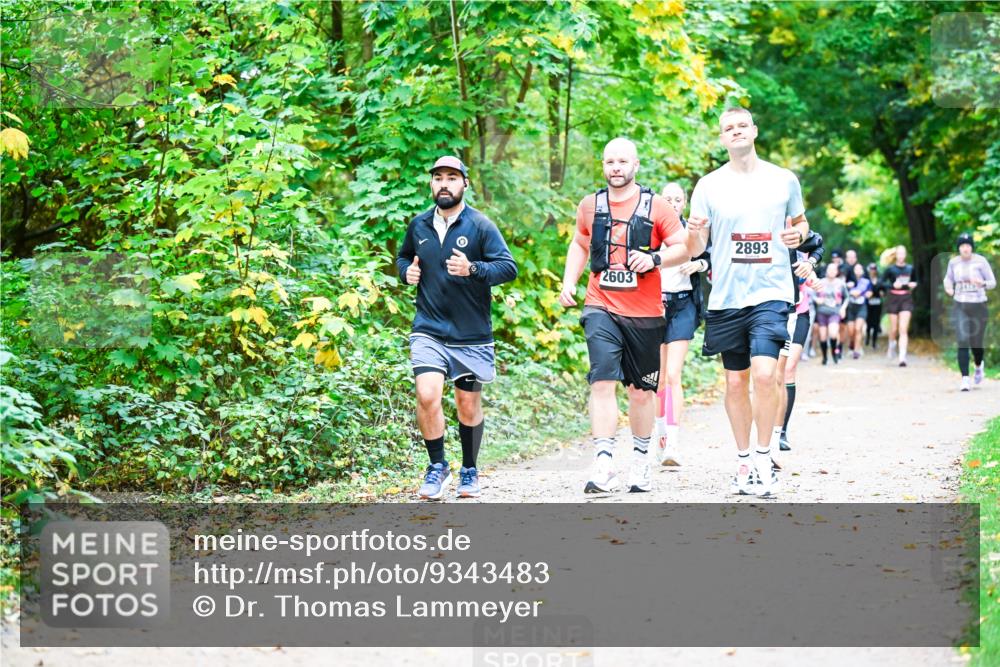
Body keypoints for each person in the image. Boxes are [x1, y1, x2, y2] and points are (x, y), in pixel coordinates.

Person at [686, 106, 809, 497]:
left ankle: (764, 455)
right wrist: (693, 234)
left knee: (765, 374)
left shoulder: (783, 179)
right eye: (728, 128)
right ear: (722, 139)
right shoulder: (707, 186)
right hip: (726, 297)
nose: (736, 131)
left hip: (771, 292)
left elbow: (802, 224)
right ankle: (743, 461)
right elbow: (695, 248)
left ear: (754, 131)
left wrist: (798, 236)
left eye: (742, 125)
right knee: (736, 382)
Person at [559, 138, 694, 494]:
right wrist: (569, 281)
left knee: (640, 392)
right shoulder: (590, 206)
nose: (615, 168)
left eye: (622, 161)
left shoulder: (659, 207)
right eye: (609, 162)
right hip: (600, 305)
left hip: (646, 314)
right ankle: (603, 463)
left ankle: (639, 460)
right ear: (603, 166)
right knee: (601, 381)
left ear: (635, 165)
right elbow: (580, 242)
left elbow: (685, 246)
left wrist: (655, 259)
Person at [396, 156, 518, 500]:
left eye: (452, 178)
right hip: (429, 329)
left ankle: (469, 469)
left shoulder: (480, 226)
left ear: (465, 184)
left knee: (467, 405)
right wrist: (407, 272)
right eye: (438, 178)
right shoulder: (418, 225)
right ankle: (437, 466)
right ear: (431, 185)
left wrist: (474, 269)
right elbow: (403, 258)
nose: (444, 184)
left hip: (471, 334)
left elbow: (508, 268)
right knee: (427, 394)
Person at [654, 182, 711, 467]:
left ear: (685, 203)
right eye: (668, 198)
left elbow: (710, 256)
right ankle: (660, 432)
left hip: (683, 305)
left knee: (674, 373)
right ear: (659, 201)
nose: (673, 203)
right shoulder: (651, 231)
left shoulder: (693, 230)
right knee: (659, 376)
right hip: (653, 306)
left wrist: (699, 265)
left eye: (678, 199)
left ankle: (673, 444)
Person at [770, 228, 824, 458]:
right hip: (774, 312)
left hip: (799, 314)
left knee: (789, 369)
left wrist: (811, 271)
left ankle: (782, 430)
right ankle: (771, 427)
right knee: (775, 375)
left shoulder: (796, 239)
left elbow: (816, 248)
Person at [944, 232, 995, 391]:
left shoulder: (981, 261)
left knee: (976, 343)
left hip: (979, 305)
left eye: (968, 245)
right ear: (959, 248)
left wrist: (982, 283)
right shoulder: (953, 263)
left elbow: (993, 282)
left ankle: (979, 365)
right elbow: (948, 279)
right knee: (962, 339)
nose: (965, 248)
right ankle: (965, 378)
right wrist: (948, 287)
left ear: (972, 247)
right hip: (960, 304)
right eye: (962, 246)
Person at [882, 245, 918, 367]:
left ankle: (902, 357)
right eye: (899, 253)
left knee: (903, 329)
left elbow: (915, 281)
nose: (901, 256)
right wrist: (892, 285)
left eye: (903, 253)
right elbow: (881, 283)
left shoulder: (910, 268)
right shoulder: (890, 269)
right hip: (893, 298)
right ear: (896, 255)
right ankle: (891, 345)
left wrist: (913, 284)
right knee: (894, 329)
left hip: (906, 298)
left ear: (905, 255)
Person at [815, 263, 849, 365]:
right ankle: (825, 357)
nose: (832, 271)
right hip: (822, 312)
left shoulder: (840, 283)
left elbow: (847, 297)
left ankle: (834, 354)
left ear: (837, 272)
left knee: (833, 333)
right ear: (826, 271)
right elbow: (811, 293)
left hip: (835, 312)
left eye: (834, 270)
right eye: (830, 269)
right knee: (823, 336)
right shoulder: (820, 282)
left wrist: (843, 308)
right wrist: (816, 299)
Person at [845, 262, 873, 359]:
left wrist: (867, 294)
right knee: (851, 331)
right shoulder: (848, 282)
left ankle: (857, 351)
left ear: (863, 271)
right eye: (856, 269)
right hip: (851, 307)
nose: (858, 271)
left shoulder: (866, 281)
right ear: (853, 271)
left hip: (862, 307)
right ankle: (852, 345)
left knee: (858, 328)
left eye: (860, 269)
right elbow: (843, 293)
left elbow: (870, 292)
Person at [865, 262, 884, 349]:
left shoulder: (880, 280)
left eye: (874, 269)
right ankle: (867, 339)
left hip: (877, 304)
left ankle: (874, 342)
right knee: (868, 322)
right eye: (871, 269)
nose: (872, 271)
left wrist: (882, 293)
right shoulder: (866, 279)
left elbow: (883, 291)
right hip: (868, 304)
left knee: (876, 323)